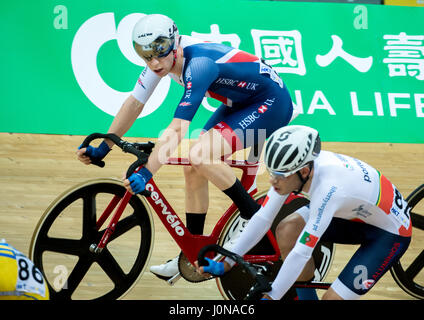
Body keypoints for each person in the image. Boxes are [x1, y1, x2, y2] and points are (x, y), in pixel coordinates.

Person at [76, 14, 294, 281]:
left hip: (270, 103)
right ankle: (194, 254)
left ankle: (255, 221)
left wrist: (147, 172)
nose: (154, 62)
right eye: (146, 56)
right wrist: (104, 147)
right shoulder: (161, 61)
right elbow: (134, 104)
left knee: (200, 154)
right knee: (193, 167)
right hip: (241, 102)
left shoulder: (199, 64)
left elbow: (178, 128)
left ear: (174, 42)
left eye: (159, 52)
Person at [197, 125, 412, 300]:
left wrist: (272, 296)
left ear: (304, 171)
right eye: (272, 172)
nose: (273, 181)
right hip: (354, 214)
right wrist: (227, 262)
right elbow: (262, 218)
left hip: (389, 234)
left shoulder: (330, 189)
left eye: (280, 175)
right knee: (288, 229)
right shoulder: (295, 170)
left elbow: (302, 252)